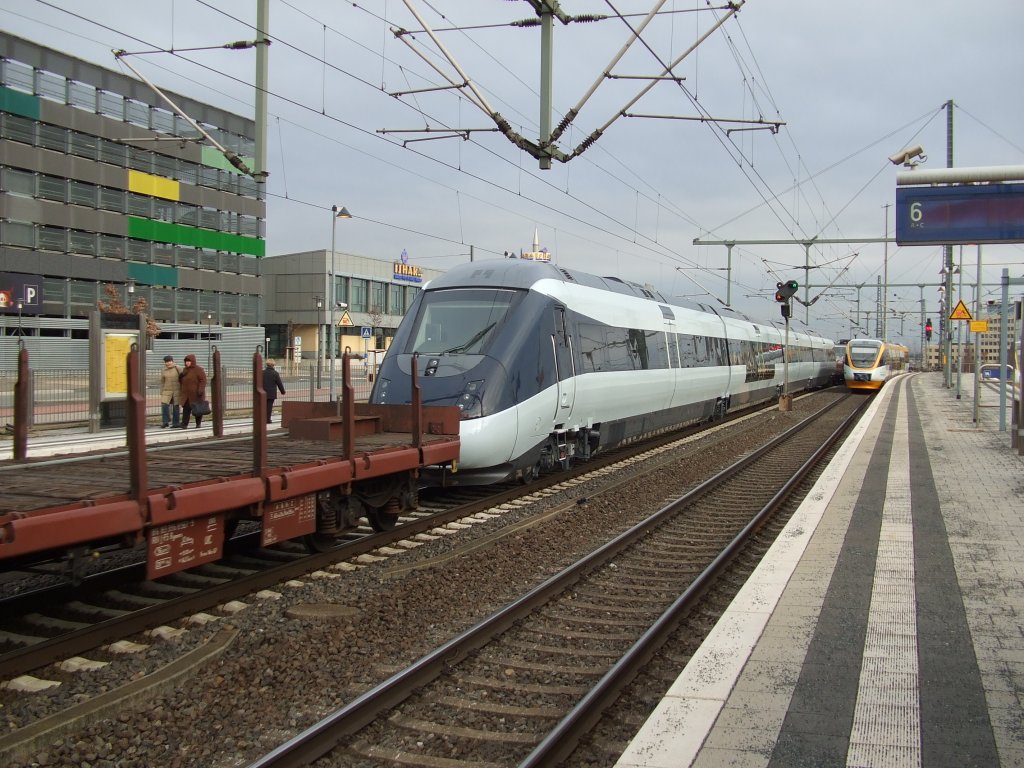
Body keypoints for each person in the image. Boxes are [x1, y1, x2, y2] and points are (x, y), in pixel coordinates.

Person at [178, 353, 208, 429]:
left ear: (192, 361)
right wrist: (180, 377)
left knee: (197, 409)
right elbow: (182, 381)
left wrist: (200, 390)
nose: (187, 363)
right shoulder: (185, 370)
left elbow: (203, 380)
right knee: (186, 409)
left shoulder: (198, 369)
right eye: (186, 361)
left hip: (196, 394)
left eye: (188, 361)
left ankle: (198, 423)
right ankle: (184, 424)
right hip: (187, 395)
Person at [159, 355, 181, 428]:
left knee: (175, 407)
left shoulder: (178, 368)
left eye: (169, 361)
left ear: (172, 361)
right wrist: (161, 392)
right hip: (166, 391)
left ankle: (176, 423)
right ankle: (165, 422)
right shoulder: (163, 370)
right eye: (166, 362)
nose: (168, 363)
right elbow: (162, 382)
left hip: (176, 391)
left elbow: (183, 378)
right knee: (164, 406)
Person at [263, 359, 286, 424]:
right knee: (269, 407)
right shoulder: (275, 373)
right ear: (273, 365)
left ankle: (262, 419)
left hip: (263, 393)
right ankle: (268, 419)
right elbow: (279, 383)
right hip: (271, 394)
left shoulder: (262, 372)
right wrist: (283, 391)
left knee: (263, 406)